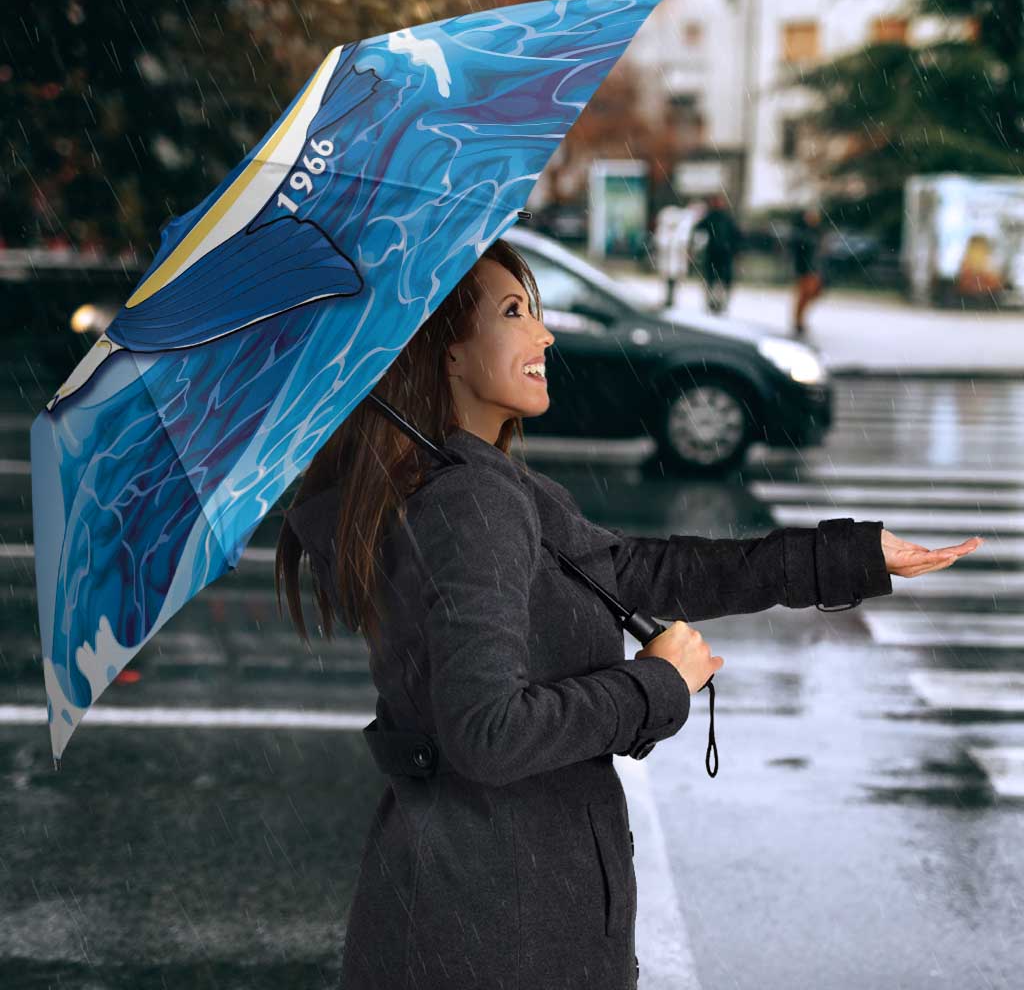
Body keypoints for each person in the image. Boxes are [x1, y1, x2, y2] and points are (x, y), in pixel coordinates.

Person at [277, 237, 977, 990]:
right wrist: (655, 685)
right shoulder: (469, 502)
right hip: (498, 928)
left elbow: (640, 571)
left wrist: (850, 557)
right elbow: (487, 734)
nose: (544, 334)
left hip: (479, 908)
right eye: (514, 312)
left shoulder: (477, 484)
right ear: (445, 351)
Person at [692, 192, 742, 315]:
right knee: (713, 280)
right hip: (715, 254)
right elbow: (698, 230)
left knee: (720, 281)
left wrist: (735, 250)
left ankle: (719, 303)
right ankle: (713, 303)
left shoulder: (725, 218)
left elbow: (736, 236)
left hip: (723, 254)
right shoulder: (712, 217)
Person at [790, 205, 826, 336]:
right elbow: (799, 252)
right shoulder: (802, 233)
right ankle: (798, 321)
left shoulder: (817, 232)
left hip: (814, 269)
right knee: (804, 295)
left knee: (812, 294)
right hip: (805, 269)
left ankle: (799, 320)